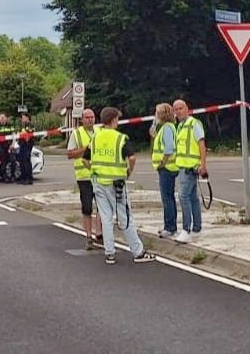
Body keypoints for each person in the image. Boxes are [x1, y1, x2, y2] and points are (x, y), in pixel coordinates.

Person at [85, 107, 155, 265]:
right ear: (114, 120)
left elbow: (85, 159)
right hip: (116, 183)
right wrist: (128, 173)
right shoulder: (121, 138)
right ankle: (138, 252)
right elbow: (132, 158)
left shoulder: (95, 138)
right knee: (125, 218)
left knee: (105, 218)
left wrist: (95, 170)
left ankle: (110, 253)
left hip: (98, 182)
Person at [172, 99, 207, 244]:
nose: (179, 111)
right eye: (176, 109)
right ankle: (197, 229)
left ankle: (186, 229)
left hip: (190, 168)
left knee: (183, 197)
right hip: (184, 167)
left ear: (187, 109)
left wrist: (203, 165)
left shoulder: (193, 124)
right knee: (192, 198)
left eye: (181, 108)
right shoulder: (180, 126)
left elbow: (201, 145)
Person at [67, 108, 100, 250]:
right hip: (84, 176)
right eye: (87, 117)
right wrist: (86, 149)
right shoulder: (77, 134)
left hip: (99, 175)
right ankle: (88, 236)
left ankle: (99, 234)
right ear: (82, 119)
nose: (90, 120)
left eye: (92, 117)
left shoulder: (100, 132)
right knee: (87, 207)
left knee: (102, 206)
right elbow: (70, 154)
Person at [150, 103, 179, 238]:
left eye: (157, 112)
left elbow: (169, 148)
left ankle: (170, 227)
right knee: (169, 197)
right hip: (168, 167)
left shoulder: (167, 128)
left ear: (161, 114)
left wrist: (163, 162)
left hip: (167, 168)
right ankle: (170, 225)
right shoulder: (167, 128)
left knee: (167, 198)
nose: (155, 115)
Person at [0, 113, 15, 182]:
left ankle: (12, 176)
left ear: (6, 118)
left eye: (3, 118)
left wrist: (12, 145)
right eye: (1, 118)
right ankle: (4, 177)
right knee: (3, 162)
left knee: (13, 160)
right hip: (0, 147)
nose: (2, 119)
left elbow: (14, 136)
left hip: (9, 146)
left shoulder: (10, 126)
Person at [16, 113, 35, 185]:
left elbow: (29, 134)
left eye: (23, 118)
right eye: (22, 118)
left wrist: (23, 134)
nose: (22, 119)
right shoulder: (23, 126)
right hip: (22, 144)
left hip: (28, 145)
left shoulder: (30, 125)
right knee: (21, 160)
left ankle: (29, 178)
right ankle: (23, 177)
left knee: (26, 160)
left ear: (27, 118)